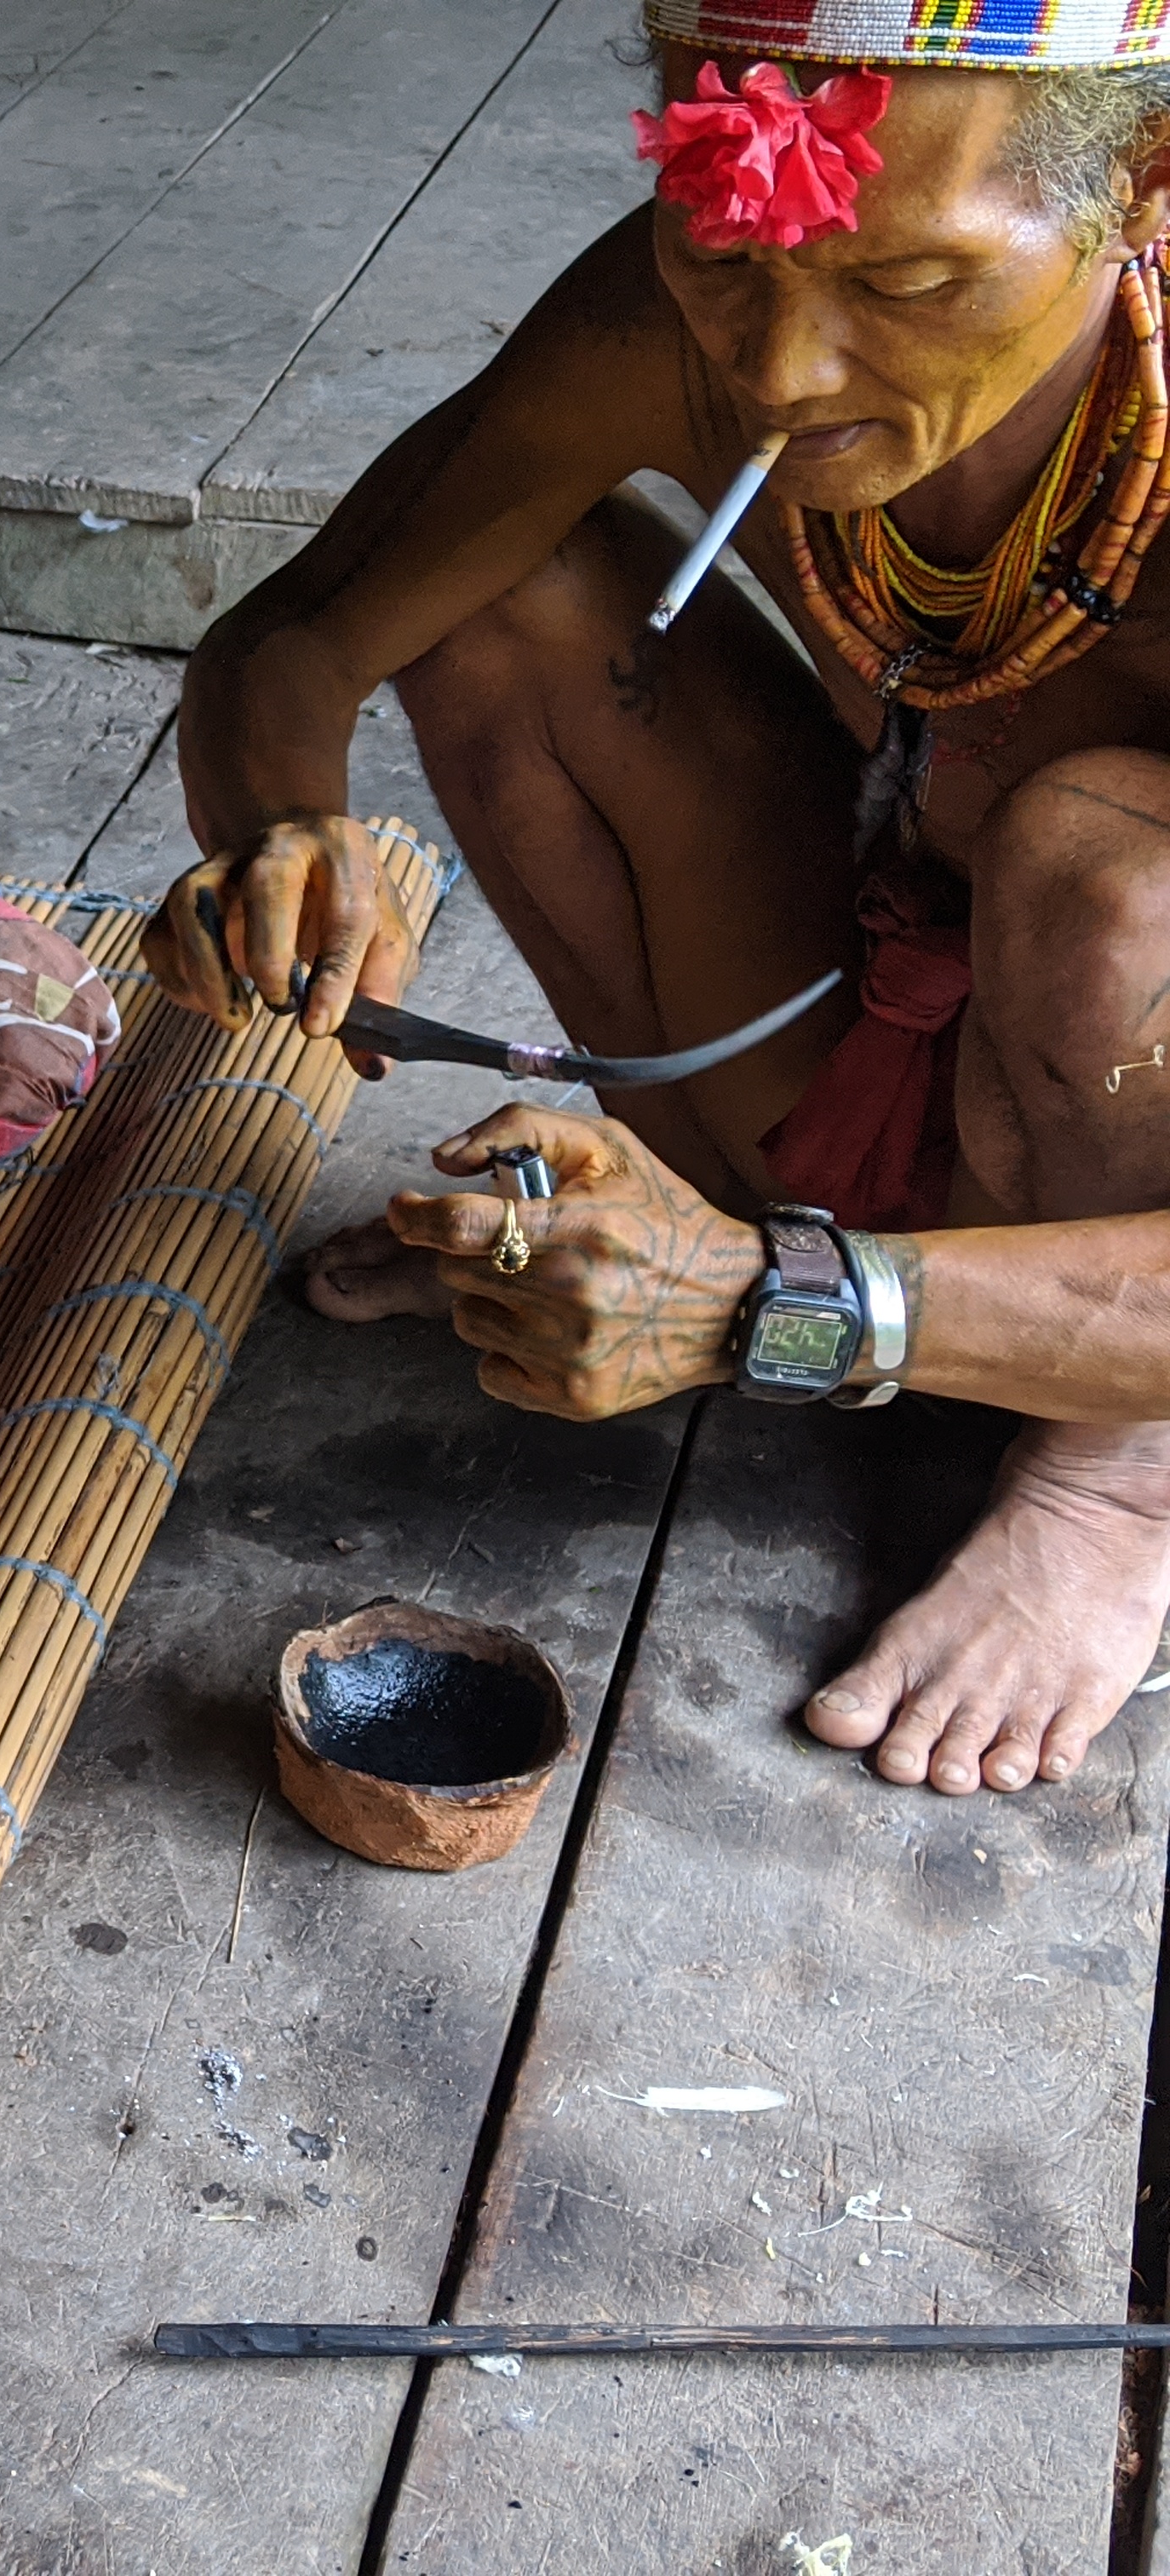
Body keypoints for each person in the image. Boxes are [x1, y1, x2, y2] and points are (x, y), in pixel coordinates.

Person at [163, 4, 1170, 1802]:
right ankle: (686, 1227)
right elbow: (300, 639)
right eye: (726, 264)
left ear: (1143, 189)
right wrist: (279, 832)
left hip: (1125, 1149)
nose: (783, 370)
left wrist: (784, 1307)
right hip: (883, 1011)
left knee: (1106, 871)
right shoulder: (687, 322)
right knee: (504, 592)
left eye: (910, 280)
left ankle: (1114, 1482)